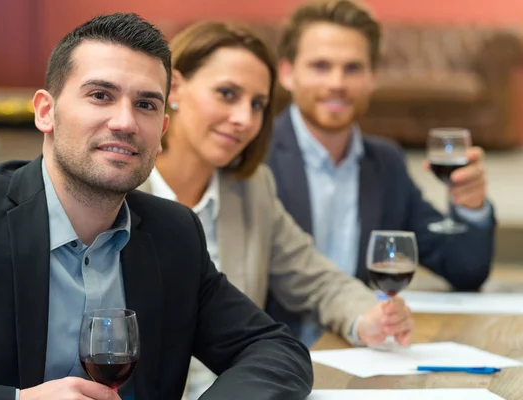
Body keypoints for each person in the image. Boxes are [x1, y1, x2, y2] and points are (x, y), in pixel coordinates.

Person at [0, 13, 315, 400]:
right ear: (46, 111)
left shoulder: (174, 233)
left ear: (161, 129)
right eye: (100, 95)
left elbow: (276, 351)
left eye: (145, 104)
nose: (125, 121)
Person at [137, 20, 414, 397]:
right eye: (227, 94)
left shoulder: (251, 190)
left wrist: (367, 316)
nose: (244, 119)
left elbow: (316, 279)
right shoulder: (122, 190)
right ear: (177, 87)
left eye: (257, 105)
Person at [267, 0, 496, 343]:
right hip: (274, 356)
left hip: (362, 352)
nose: (337, 83)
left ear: (373, 78)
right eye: (320, 66)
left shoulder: (385, 163)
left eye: (353, 68)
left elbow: (465, 269)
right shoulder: (255, 158)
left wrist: (471, 207)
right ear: (287, 73)